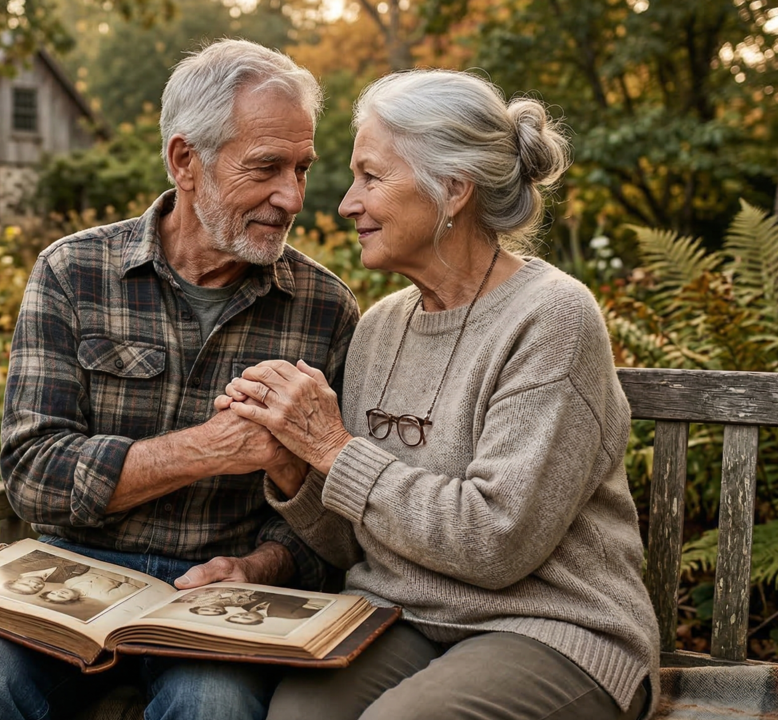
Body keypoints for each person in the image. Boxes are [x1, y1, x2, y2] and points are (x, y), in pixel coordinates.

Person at [0, 39, 360, 720]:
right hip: (69, 574)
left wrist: (259, 567)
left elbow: (330, 524)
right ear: (185, 161)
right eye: (266, 167)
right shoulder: (74, 272)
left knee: (214, 707)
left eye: (302, 168)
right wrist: (209, 449)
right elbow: (32, 473)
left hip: (219, 598)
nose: (293, 196)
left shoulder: (324, 308)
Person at [218, 69, 659, 719]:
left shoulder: (551, 318)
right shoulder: (380, 328)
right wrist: (295, 465)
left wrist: (334, 449)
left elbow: (497, 541)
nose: (346, 203)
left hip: (552, 626)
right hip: (404, 618)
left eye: (371, 177)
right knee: (297, 715)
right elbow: (354, 545)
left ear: (453, 188)